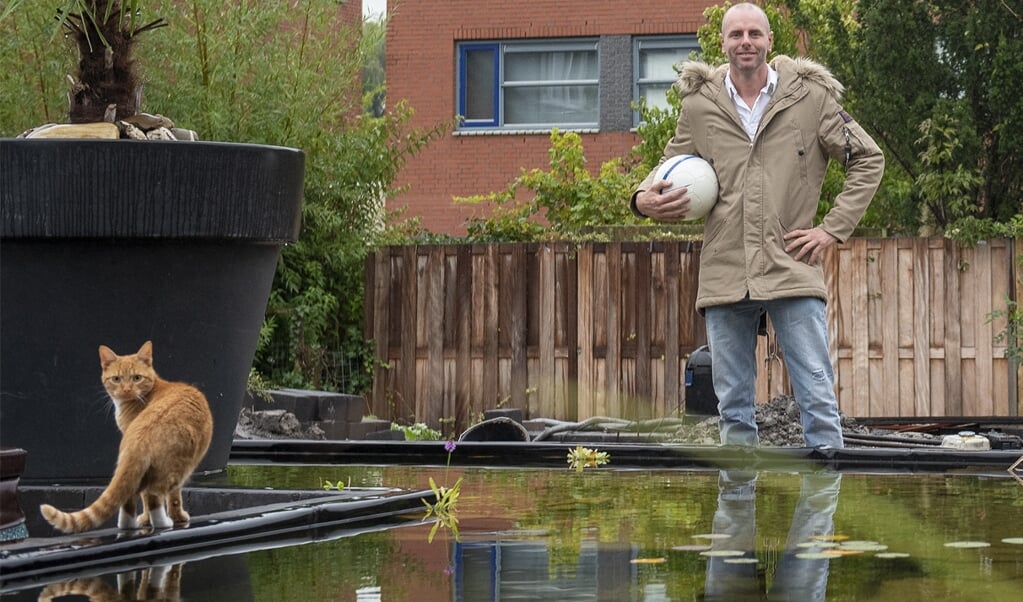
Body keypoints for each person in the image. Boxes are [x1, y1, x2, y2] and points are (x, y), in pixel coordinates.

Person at [631, 2, 884, 448]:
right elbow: (670, 165)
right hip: (725, 271)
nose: (745, 42)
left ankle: (820, 513)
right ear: (723, 43)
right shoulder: (698, 105)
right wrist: (640, 199)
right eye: (735, 35)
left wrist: (831, 228)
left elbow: (868, 159)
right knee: (733, 411)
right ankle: (736, 514)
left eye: (754, 34)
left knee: (818, 400)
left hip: (791, 264)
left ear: (769, 41)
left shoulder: (809, 98)